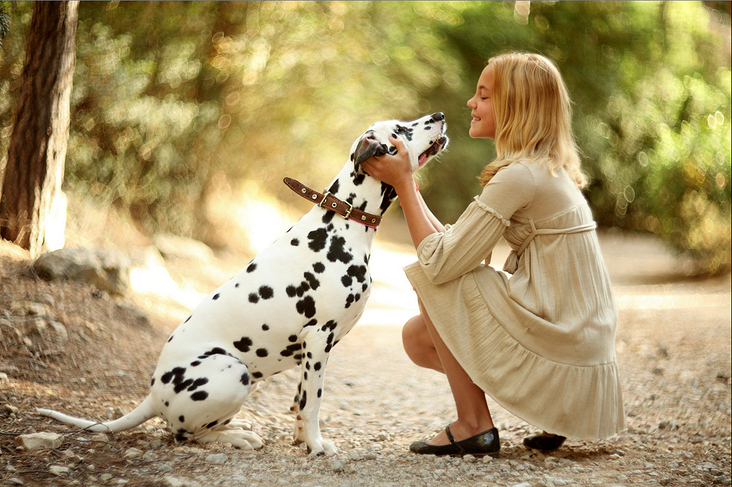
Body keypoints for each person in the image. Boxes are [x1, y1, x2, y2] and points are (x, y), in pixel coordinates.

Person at [361, 52, 625, 456]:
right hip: (575, 342)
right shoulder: (543, 168)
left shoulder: (520, 176)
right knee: (418, 338)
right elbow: (457, 247)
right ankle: (553, 411)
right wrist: (408, 184)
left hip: (563, 342)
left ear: (515, 107)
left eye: (483, 96)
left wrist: (403, 185)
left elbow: (442, 263)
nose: (471, 103)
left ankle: (473, 426)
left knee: (436, 281)